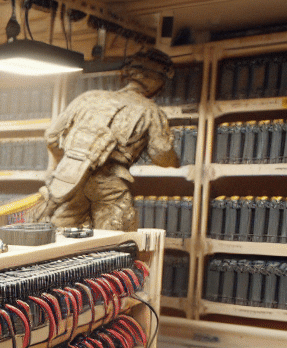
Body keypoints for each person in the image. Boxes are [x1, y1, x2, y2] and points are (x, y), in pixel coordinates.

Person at [36, 47, 180, 231]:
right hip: (109, 186)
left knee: (60, 240)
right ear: (157, 81)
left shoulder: (88, 97)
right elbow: (161, 153)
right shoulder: (151, 111)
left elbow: (51, 137)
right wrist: (174, 160)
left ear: (127, 74)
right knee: (112, 246)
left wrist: (59, 167)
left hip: (69, 181)